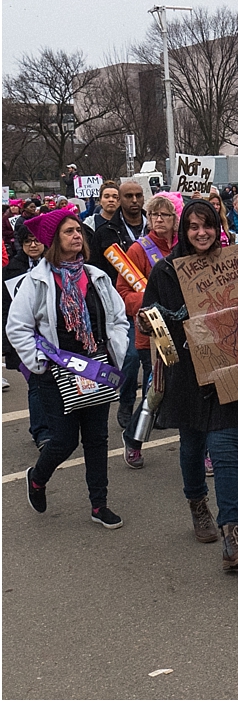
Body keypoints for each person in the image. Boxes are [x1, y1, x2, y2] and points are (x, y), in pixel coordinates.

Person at [138, 200, 238, 568]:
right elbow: (149, 313)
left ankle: (232, 538)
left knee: (224, 452)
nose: (201, 233)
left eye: (207, 225)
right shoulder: (165, 271)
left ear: (217, 226)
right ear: (183, 230)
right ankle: (197, 503)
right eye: (193, 227)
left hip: (228, 369)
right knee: (192, 447)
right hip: (186, 373)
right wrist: (149, 322)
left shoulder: (233, 264)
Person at [6, 209, 129, 528]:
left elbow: (118, 317)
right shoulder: (36, 282)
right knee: (63, 441)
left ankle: (99, 505)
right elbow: (17, 327)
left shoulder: (97, 276)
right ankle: (37, 478)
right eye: (68, 231)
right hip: (55, 374)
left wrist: (114, 342)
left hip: (95, 368)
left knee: (97, 438)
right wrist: (38, 361)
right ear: (53, 241)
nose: (77, 235)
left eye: (78, 230)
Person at [117, 193, 180, 468]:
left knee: (194, 388)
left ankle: (203, 451)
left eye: (164, 214)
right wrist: (150, 301)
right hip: (153, 334)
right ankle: (133, 438)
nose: (158, 219)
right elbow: (123, 292)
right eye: (154, 214)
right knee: (156, 391)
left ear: (176, 218)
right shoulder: (138, 249)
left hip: (186, 331)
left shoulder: (186, 246)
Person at [90, 180, 146, 429]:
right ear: (121, 200)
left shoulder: (153, 226)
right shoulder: (105, 232)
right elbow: (95, 271)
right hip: (121, 302)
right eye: (129, 196)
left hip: (155, 300)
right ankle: (126, 402)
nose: (134, 200)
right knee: (131, 357)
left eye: (138, 195)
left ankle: (150, 407)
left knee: (158, 360)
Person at [2, 224, 52, 448]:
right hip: (26, 338)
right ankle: (41, 431)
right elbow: (5, 309)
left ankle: (54, 426)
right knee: (35, 384)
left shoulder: (53, 265)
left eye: (36, 240)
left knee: (53, 383)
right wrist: (7, 342)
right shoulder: (11, 270)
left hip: (52, 336)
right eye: (27, 241)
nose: (33, 245)